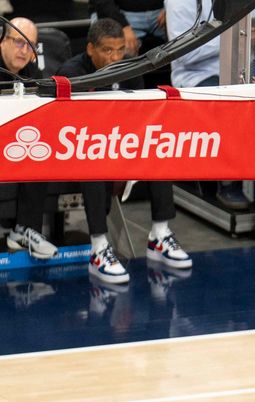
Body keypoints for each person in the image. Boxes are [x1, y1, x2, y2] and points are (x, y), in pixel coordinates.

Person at [58, 18, 192, 284]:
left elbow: (140, 117)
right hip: (81, 148)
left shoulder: (131, 68)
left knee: (159, 151)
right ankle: (98, 249)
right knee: (93, 160)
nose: (115, 57)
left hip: (122, 144)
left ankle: (160, 235)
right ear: (90, 49)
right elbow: (65, 124)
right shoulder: (71, 73)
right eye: (108, 50)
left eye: (120, 50)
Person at [165, 0, 255, 210]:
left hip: (250, 65)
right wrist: (235, 37)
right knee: (230, 101)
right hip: (199, 74)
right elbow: (184, 52)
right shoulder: (178, 2)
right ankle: (228, 182)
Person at [0, 18, 59, 260]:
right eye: (19, 43)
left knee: (39, 151)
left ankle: (24, 230)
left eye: (31, 46)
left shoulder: (31, 71)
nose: (25, 51)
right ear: (3, 41)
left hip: (12, 140)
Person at [88, 0, 166, 56]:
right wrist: (123, 25)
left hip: (161, 11)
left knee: (177, 44)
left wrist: (170, 7)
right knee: (117, 49)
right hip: (119, 11)